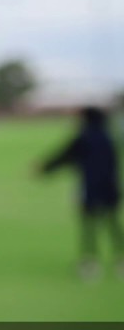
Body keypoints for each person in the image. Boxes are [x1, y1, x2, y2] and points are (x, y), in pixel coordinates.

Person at [36, 106, 122, 281]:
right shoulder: (109, 137)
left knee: (88, 226)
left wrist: (44, 169)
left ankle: (90, 264)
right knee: (112, 224)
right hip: (110, 187)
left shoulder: (83, 138)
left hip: (89, 188)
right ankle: (120, 260)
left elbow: (65, 156)